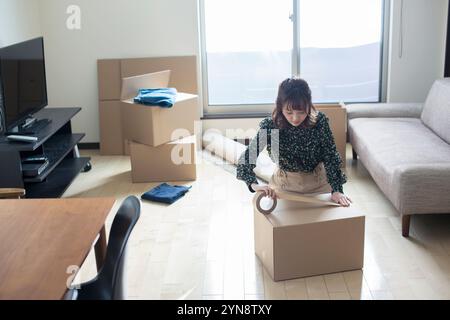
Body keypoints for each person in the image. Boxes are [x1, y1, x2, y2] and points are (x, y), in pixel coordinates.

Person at [236, 77, 352, 207]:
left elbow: (330, 156)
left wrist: (337, 190)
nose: (295, 118)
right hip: (283, 187)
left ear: (309, 105)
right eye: (289, 112)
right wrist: (254, 185)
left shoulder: (319, 122)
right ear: (280, 107)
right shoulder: (271, 126)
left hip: (319, 184)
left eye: (301, 112)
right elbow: (247, 157)